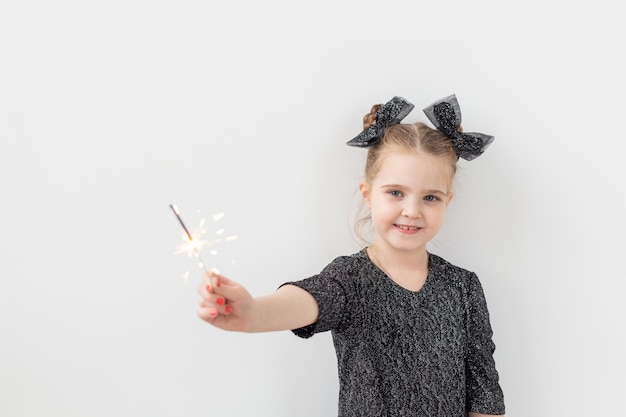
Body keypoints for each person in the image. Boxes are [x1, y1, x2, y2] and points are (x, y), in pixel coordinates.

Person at [197, 94, 505, 417]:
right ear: (368, 195)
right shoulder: (349, 280)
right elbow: (309, 300)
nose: (411, 211)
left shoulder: (463, 288)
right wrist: (254, 313)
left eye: (430, 197)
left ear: (447, 202)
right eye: (396, 193)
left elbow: (485, 397)